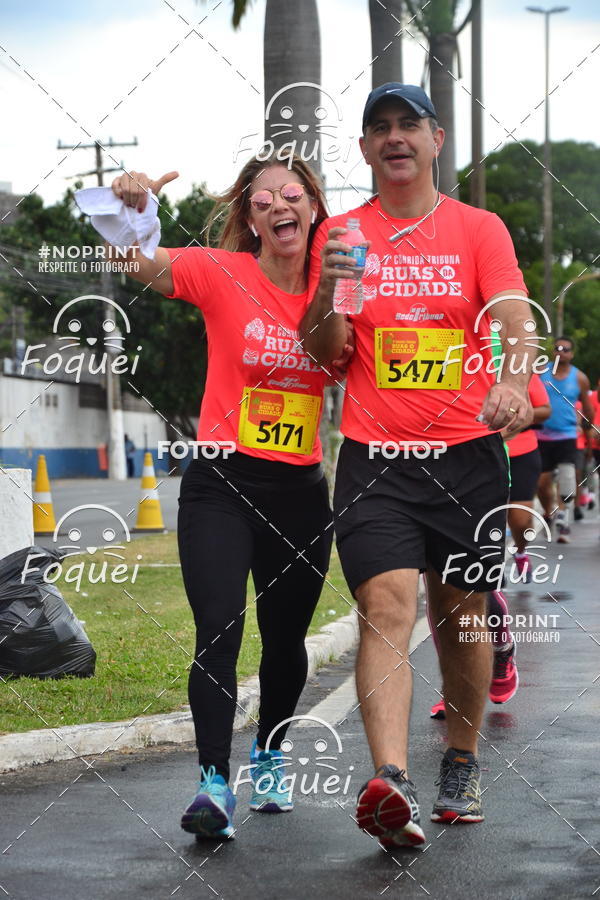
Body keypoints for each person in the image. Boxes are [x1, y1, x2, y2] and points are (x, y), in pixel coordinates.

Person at [302, 83, 534, 845]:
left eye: (410, 125)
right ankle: (390, 779)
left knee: (461, 614)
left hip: (467, 458)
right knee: (388, 603)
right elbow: (324, 352)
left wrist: (508, 377)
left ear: (437, 140)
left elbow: (511, 317)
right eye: (380, 129)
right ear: (366, 150)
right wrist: (335, 288)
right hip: (376, 459)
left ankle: (460, 760)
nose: (395, 138)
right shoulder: (342, 233)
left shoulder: (478, 229)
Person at [104, 153, 350, 840]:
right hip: (221, 480)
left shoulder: (341, 284)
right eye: (263, 198)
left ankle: (269, 751)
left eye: (292, 195)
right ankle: (213, 782)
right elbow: (138, 262)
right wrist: (131, 211)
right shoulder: (221, 273)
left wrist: (330, 287)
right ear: (249, 216)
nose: (278, 205)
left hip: (300, 489)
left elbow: (332, 354)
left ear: (313, 210)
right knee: (218, 628)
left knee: (284, 640)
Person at [429, 373, 551, 720]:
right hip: (420, 465)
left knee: (470, 588)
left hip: (484, 465)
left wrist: (487, 433)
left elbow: (533, 409)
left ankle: (501, 648)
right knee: (436, 586)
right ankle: (451, 690)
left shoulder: (500, 350)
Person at [537, 337, 594, 544]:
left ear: (572, 353)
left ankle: (563, 518)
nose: (561, 352)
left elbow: (588, 408)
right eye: (557, 348)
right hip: (541, 436)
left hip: (567, 436)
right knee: (542, 484)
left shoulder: (579, 378)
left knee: (567, 478)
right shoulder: (540, 372)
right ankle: (549, 511)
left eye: (566, 349)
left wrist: (588, 430)